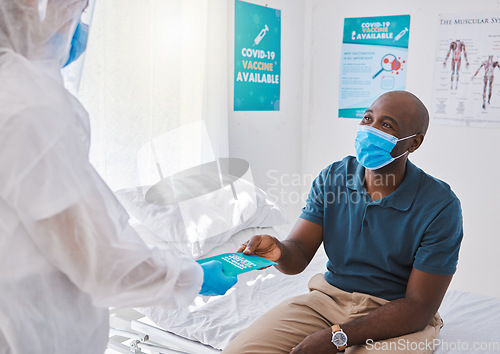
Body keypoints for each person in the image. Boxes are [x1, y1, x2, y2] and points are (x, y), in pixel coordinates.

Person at [0, 1, 236, 353]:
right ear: (37, 15)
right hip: (36, 332)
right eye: (76, 14)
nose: (79, 29)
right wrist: (192, 277)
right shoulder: (31, 106)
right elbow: (102, 260)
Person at [223, 91, 463, 354]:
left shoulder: (440, 206)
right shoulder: (333, 178)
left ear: (414, 143)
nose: (370, 130)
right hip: (327, 301)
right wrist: (279, 251)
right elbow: (299, 254)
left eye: (386, 125)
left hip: (396, 315)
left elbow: (418, 307)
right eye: (368, 118)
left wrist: (335, 338)